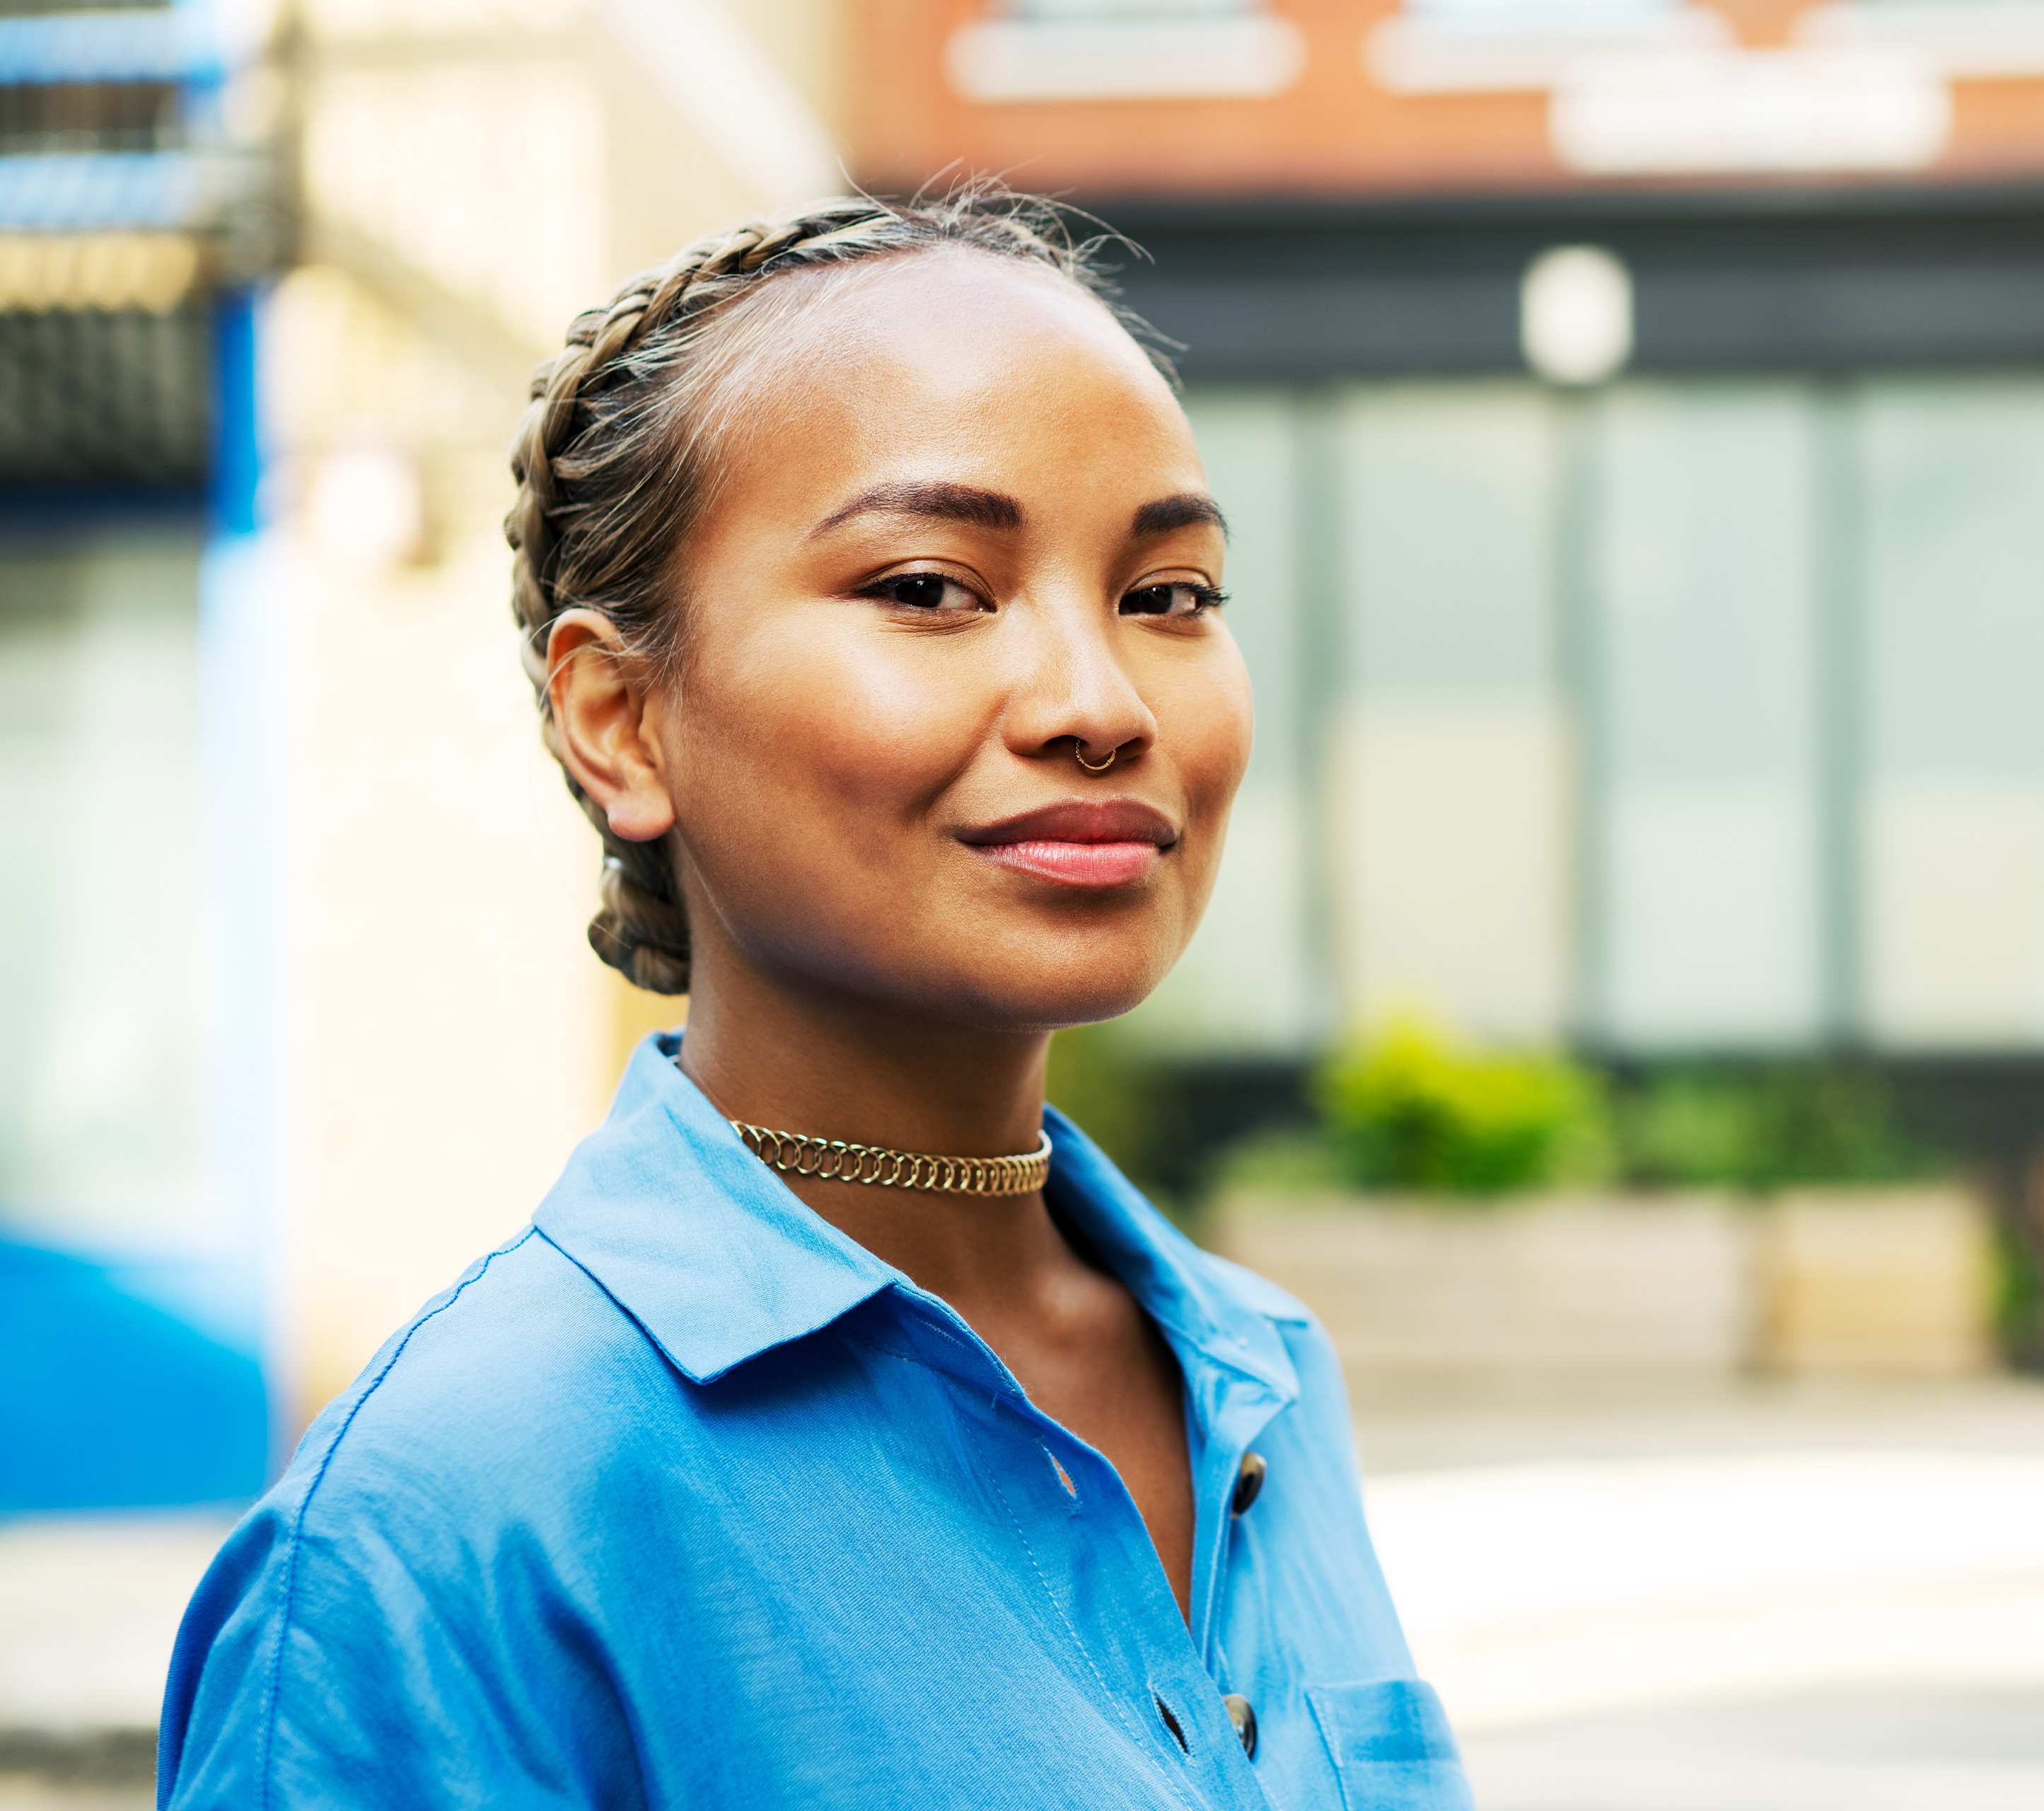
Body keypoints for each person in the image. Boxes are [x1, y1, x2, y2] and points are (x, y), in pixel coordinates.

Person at [160, 190, 1472, 1810]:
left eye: (1170, 593)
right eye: (929, 586)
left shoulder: (1261, 1378)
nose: (1101, 702)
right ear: (621, 718)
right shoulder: (445, 1525)